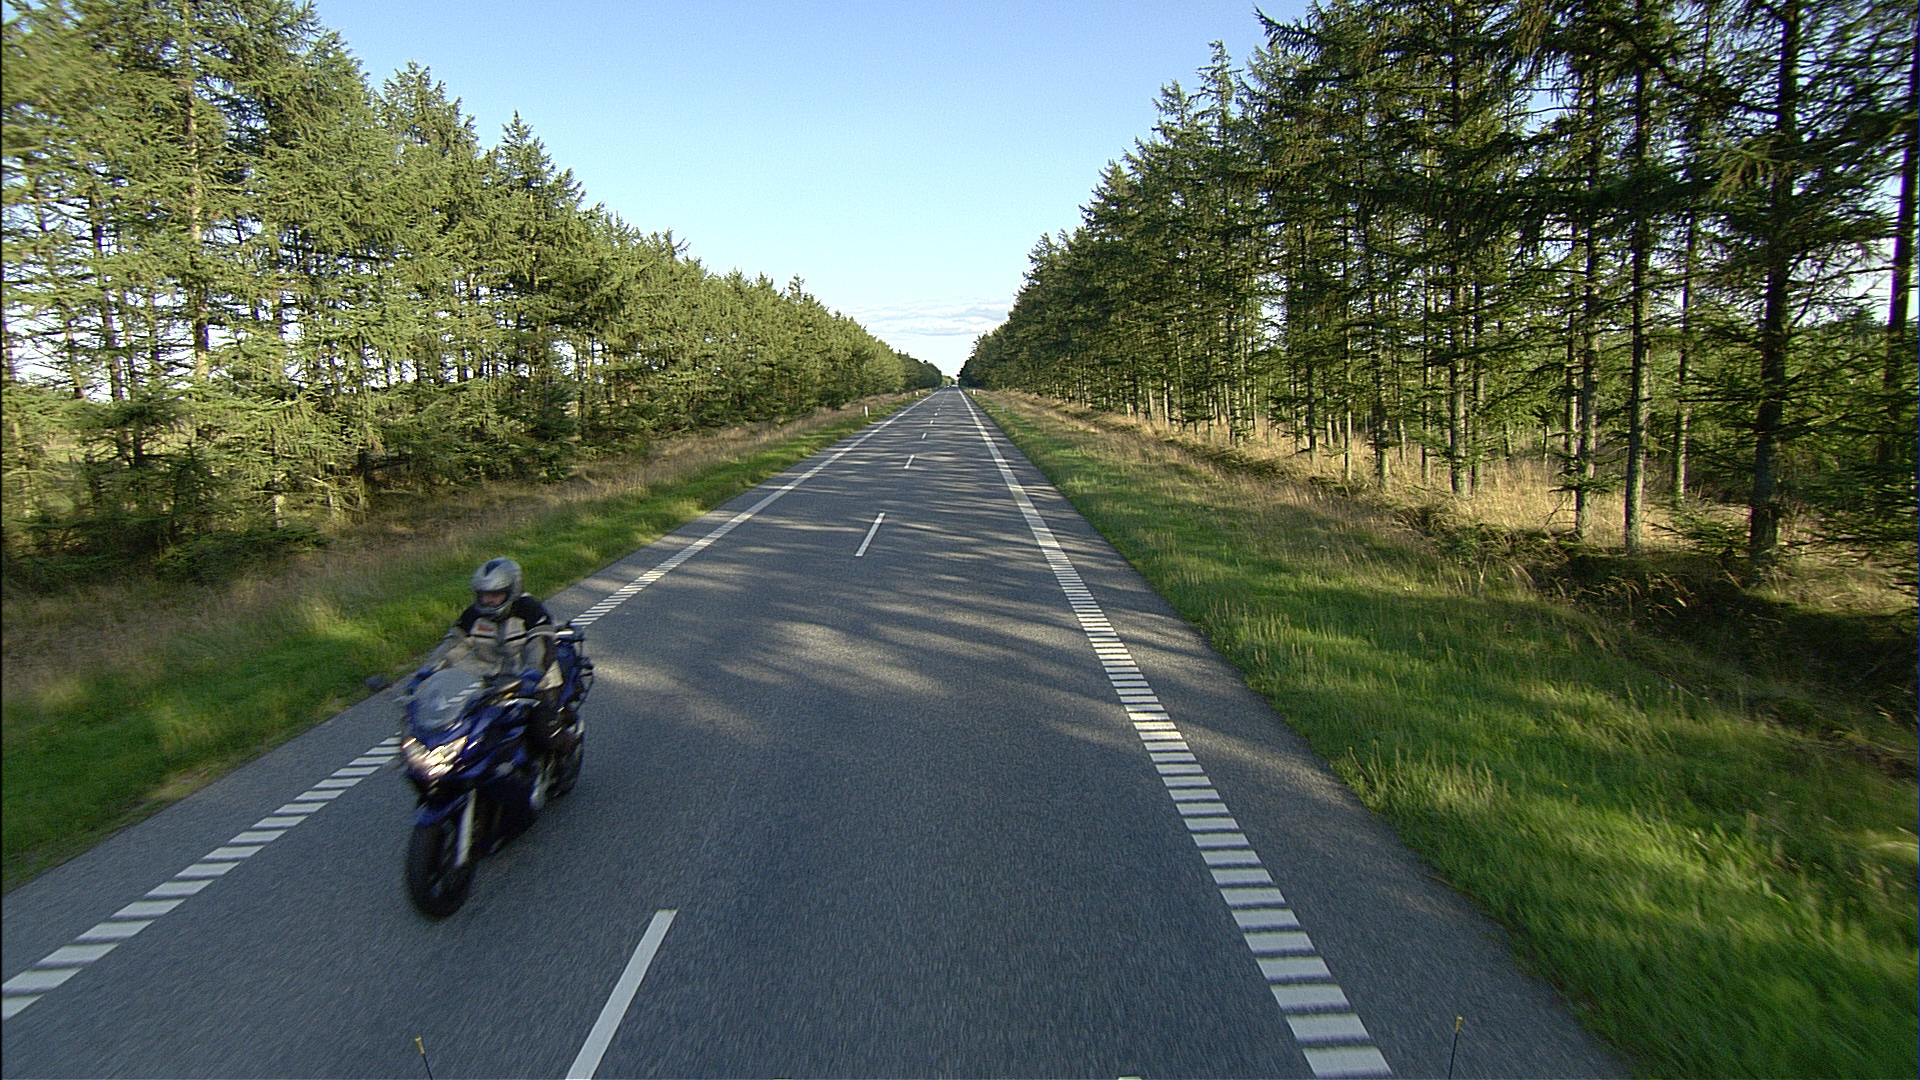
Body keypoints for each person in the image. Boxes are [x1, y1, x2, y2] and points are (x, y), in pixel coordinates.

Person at [413, 557, 578, 758]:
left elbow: (540, 645)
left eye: (495, 595)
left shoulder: (530, 610)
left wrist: (533, 674)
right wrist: (426, 672)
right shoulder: (473, 615)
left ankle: (568, 749)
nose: (488, 601)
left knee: (543, 731)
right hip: (493, 685)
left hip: (537, 683)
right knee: (475, 733)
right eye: (483, 595)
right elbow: (452, 644)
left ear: (512, 591)